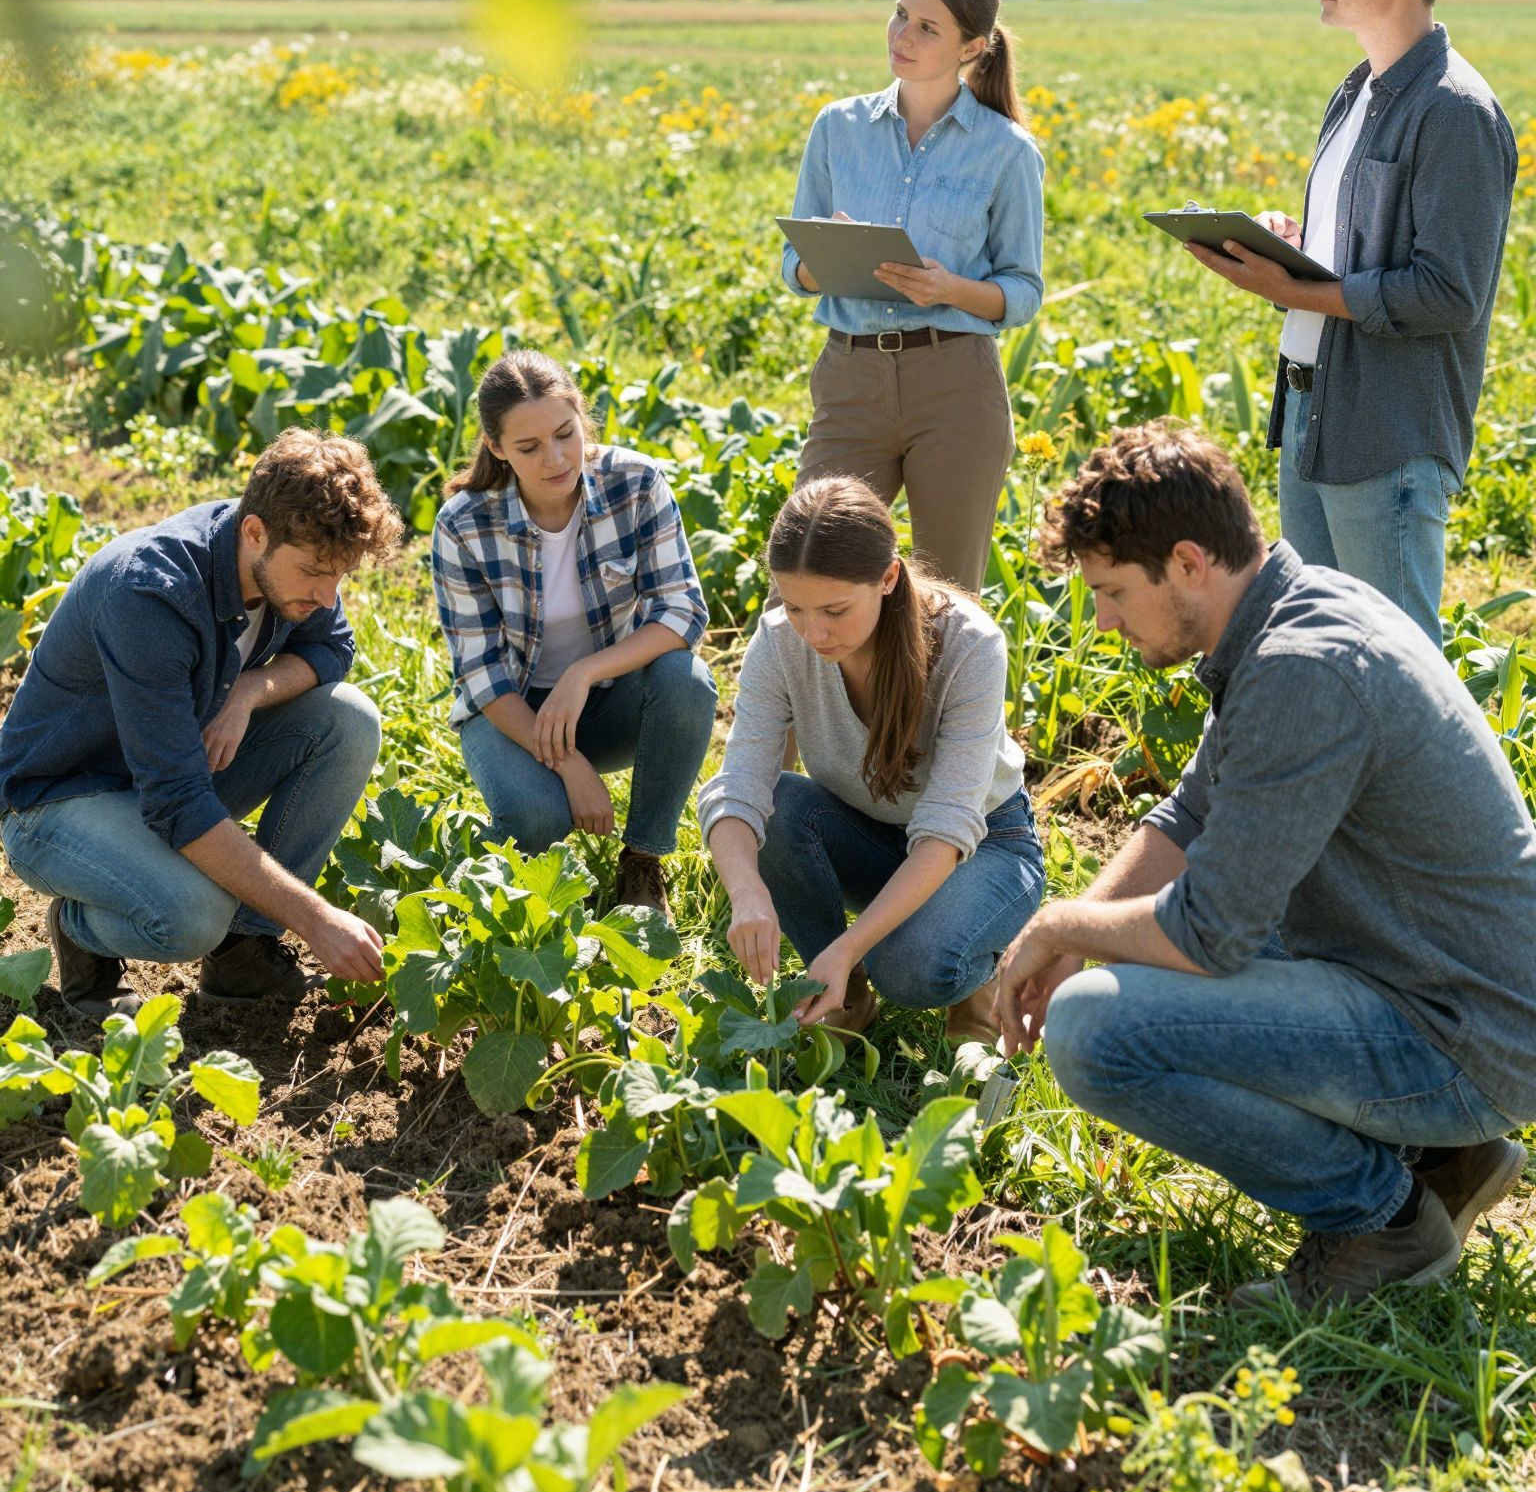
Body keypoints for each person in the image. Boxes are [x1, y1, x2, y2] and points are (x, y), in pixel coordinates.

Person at [995, 423, 1534, 1310]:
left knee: (1096, 1032)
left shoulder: (1303, 668)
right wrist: (1080, 928)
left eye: (1114, 592)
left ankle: (1382, 1220)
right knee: (1135, 952)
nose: (1103, 620)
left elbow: (1209, 933)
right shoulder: (1290, 612)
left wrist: (1060, 926)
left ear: (1188, 562)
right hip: (1442, 983)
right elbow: (1191, 816)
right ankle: (1446, 1159)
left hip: (1461, 1033)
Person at [1186, 0, 1517, 644]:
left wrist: (1298, 286)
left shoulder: (1455, 111)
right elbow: (1360, 254)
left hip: (1388, 431)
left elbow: (1448, 293)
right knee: (1327, 654)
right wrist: (1290, 249)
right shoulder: (1356, 93)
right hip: (1312, 414)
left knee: (1397, 666)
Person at [0, 430, 400, 1018]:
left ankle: (243, 958)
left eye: (339, 575)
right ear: (255, 532)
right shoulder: (150, 593)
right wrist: (316, 920)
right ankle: (81, 928)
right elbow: (177, 803)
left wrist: (250, 689)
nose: (326, 593)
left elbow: (332, 651)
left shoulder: (295, 569)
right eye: (315, 571)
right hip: (58, 801)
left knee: (347, 721)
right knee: (192, 918)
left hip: (164, 772)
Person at [700, 474, 1044, 1043]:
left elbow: (946, 828)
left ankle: (982, 970)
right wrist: (746, 891)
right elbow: (738, 785)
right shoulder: (781, 640)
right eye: (795, 607)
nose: (813, 631)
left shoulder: (969, 645)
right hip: (869, 832)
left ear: (887, 578)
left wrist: (856, 939)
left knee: (909, 969)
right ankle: (842, 991)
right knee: (780, 808)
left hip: (983, 844)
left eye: (835, 609)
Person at [779, 0, 1045, 593]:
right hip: (850, 379)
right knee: (808, 571)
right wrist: (823, 262)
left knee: (949, 597)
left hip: (954, 384)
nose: (903, 35)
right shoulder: (837, 127)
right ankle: (808, 697)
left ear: (971, 48)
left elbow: (1023, 290)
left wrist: (947, 288)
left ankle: (939, 698)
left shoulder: (1007, 151)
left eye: (928, 28)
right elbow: (793, 267)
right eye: (901, 15)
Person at [431, 350, 715, 918]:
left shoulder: (634, 483)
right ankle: (484, 884)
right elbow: (482, 674)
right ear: (496, 447)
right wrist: (569, 764)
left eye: (566, 434)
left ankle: (641, 861)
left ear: (583, 419)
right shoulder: (463, 525)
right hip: (510, 714)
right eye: (529, 447)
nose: (556, 459)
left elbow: (682, 611)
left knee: (688, 682)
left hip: (610, 700)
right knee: (538, 821)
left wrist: (585, 673)